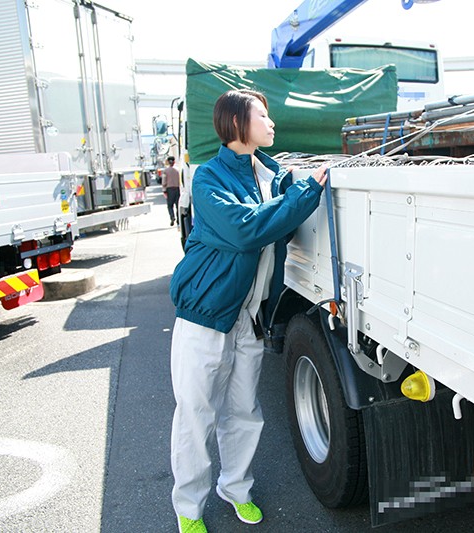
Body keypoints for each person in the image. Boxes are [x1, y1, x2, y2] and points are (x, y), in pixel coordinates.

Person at [168, 89, 328, 533]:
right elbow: (245, 230)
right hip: (206, 316)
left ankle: (235, 488)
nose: (271, 122)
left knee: (243, 412)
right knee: (196, 414)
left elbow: (279, 220)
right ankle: (189, 507)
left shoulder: (272, 174)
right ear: (237, 122)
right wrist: (305, 193)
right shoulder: (208, 177)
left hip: (250, 317)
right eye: (262, 115)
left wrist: (295, 187)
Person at [162, 155, 181, 226]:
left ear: (168, 162)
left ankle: (172, 217)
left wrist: (164, 190)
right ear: (174, 162)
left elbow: (164, 181)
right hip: (177, 189)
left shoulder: (165, 171)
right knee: (177, 205)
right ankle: (179, 220)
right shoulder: (177, 170)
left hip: (169, 190)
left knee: (170, 206)